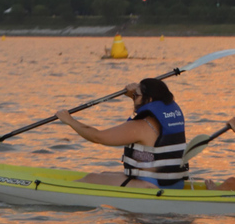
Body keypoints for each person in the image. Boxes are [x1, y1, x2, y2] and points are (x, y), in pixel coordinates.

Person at [55, 78, 188, 189]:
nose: (133, 98)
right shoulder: (168, 118)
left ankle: (57, 192)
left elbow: (97, 136)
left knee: (92, 178)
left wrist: (70, 121)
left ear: (150, 99)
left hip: (150, 186)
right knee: (104, 173)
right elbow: (145, 104)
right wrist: (134, 94)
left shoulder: (141, 126)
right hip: (174, 184)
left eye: (136, 96)